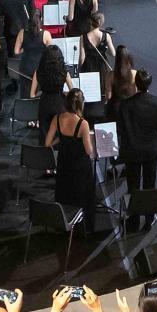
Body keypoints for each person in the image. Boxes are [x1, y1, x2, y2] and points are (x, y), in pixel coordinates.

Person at [118, 68, 157, 198]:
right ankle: (149, 216)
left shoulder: (125, 105)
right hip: (151, 150)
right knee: (149, 185)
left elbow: (120, 129)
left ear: (136, 83)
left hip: (132, 150)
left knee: (133, 186)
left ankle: (133, 217)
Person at [47, 89, 97, 219]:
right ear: (81, 104)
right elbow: (88, 150)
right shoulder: (83, 124)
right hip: (79, 168)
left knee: (65, 196)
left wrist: (61, 138)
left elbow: (48, 143)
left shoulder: (57, 118)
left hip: (63, 165)